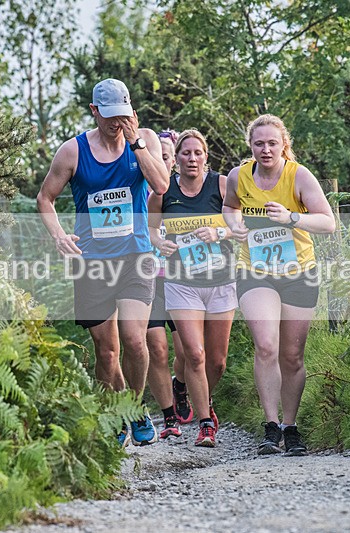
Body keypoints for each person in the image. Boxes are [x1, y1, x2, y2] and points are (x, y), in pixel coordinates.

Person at [37, 78, 169, 447]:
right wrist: (59, 235)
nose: (116, 123)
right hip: (92, 261)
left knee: (134, 339)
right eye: (109, 116)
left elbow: (160, 185)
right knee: (106, 351)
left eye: (123, 115)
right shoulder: (72, 152)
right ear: (94, 111)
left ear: (131, 112)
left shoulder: (145, 140)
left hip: (137, 255)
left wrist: (137, 143)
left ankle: (134, 407)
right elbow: (45, 199)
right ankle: (116, 409)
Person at [222, 114, 335, 456]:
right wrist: (235, 225)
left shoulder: (298, 176)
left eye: (272, 143)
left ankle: (291, 426)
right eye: (259, 144)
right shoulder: (238, 177)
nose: (266, 149)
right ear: (251, 147)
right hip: (255, 269)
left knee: (292, 355)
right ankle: (270, 427)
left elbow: (328, 222)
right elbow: (229, 207)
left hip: (299, 271)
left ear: (283, 144)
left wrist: (291, 218)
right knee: (266, 345)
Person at [149, 129, 236, 448]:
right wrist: (159, 241)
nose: (191, 158)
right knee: (194, 355)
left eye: (197, 152)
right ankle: (204, 423)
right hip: (181, 283)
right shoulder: (164, 189)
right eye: (185, 153)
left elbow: (238, 225)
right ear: (177, 159)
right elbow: (151, 228)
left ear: (206, 157)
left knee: (217, 362)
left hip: (220, 281)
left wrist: (219, 233)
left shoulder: (222, 185)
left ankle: (202, 398)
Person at [145, 129, 193, 439]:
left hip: (179, 277)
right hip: (146, 277)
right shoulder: (139, 187)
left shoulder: (182, 193)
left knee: (185, 350)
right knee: (156, 348)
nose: (161, 162)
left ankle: (181, 386)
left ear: (173, 160)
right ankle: (168, 417)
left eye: (165, 157)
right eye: (156, 158)